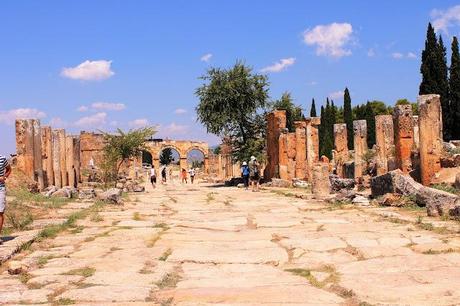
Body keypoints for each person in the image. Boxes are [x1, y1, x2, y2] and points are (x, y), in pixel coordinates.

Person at [0, 155, 12, 245]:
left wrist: (4, 177)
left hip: (0, 189)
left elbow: (9, 169)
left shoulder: (2, 158)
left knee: (0, 212)